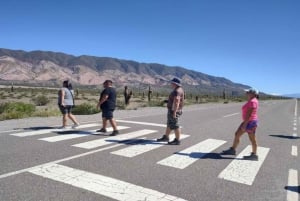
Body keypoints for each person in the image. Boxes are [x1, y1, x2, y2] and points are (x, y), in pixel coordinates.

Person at [221, 88, 259, 160]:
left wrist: (245, 124)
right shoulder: (252, 101)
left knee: (252, 139)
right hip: (248, 121)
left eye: (248, 92)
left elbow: (249, 114)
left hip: (250, 122)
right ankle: (232, 150)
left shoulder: (253, 102)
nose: (246, 93)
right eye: (247, 92)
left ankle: (254, 155)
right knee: (237, 134)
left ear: (253, 94)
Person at [157, 77, 184, 145]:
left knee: (175, 125)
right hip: (173, 109)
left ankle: (177, 140)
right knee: (169, 124)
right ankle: (166, 137)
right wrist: (168, 101)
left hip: (173, 110)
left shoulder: (177, 91)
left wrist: (174, 112)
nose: (171, 84)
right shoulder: (179, 89)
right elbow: (175, 100)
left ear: (175, 84)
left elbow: (177, 102)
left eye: (172, 83)